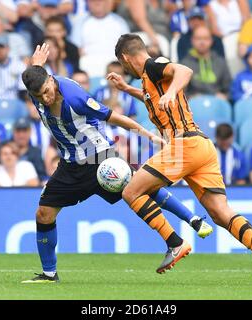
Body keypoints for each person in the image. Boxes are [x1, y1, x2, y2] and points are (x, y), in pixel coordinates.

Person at [20, 44, 213, 283]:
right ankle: (50, 274)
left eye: (47, 91)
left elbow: (114, 118)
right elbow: (35, 74)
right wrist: (35, 65)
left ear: (51, 80)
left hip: (100, 158)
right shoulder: (36, 86)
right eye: (39, 96)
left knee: (142, 189)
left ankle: (190, 223)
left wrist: (147, 133)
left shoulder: (75, 97)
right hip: (70, 166)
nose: (45, 98)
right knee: (44, 214)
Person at [108, 33, 252, 284]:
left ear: (125, 58)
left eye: (123, 65)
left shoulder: (153, 67)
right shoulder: (149, 79)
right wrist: (127, 89)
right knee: (220, 213)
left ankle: (174, 243)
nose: (125, 69)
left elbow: (185, 71)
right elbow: (153, 97)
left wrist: (172, 92)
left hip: (184, 146)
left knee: (131, 192)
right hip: (201, 146)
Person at [181, 25, 231, 99]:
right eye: (198, 38)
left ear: (211, 41)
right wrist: (189, 97)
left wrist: (225, 96)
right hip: (193, 106)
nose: (202, 42)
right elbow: (180, 91)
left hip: (217, 104)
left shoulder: (220, 62)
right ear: (192, 40)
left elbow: (229, 88)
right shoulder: (184, 64)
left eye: (206, 38)